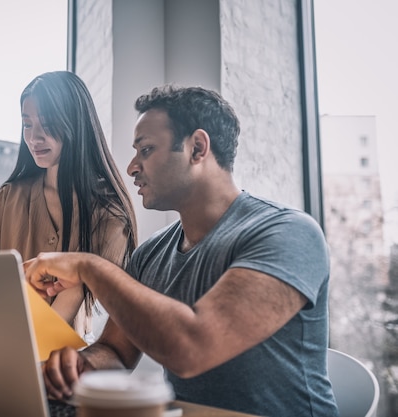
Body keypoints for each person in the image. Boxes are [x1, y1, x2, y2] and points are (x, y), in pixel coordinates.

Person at [24, 85, 339, 417]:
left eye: (146, 150)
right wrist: (80, 366)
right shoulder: (151, 255)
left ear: (197, 148)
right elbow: (115, 351)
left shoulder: (287, 232)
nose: (132, 167)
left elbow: (193, 347)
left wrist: (88, 266)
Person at [0, 71, 137, 341]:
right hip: (0, 343)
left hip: (65, 358)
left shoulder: (108, 212)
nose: (35, 137)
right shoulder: (10, 197)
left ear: (76, 124)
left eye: (48, 123)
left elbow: (80, 299)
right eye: (27, 124)